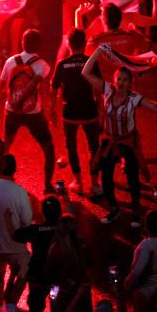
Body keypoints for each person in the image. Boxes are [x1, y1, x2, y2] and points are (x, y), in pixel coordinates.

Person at [81, 44, 157, 227]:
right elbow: (86, 73)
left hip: (127, 141)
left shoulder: (134, 98)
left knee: (132, 178)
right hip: (110, 139)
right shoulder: (108, 90)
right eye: (118, 79)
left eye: (124, 80)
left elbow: (156, 109)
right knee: (105, 177)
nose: (121, 82)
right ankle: (113, 208)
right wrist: (98, 51)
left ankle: (136, 211)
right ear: (114, 80)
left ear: (130, 83)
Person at [0, 28, 56, 194]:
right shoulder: (43, 65)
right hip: (33, 114)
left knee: (6, 145)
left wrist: (11, 103)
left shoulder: (10, 61)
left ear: (22, 43)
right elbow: (33, 86)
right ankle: (47, 185)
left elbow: (0, 86)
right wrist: (21, 101)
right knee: (49, 149)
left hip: (11, 111)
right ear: (39, 45)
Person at [51, 28, 102, 196]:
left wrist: (53, 109)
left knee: (71, 146)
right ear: (85, 43)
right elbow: (98, 88)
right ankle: (95, 184)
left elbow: (54, 87)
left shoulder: (62, 64)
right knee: (94, 146)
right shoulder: (91, 62)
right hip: (89, 110)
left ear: (68, 44)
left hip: (70, 111)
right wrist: (100, 110)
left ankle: (78, 182)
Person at [0, 153, 33, 305]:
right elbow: (26, 221)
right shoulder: (19, 191)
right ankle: (12, 305)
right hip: (15, 247)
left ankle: (0, 306)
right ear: (15, 170)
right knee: (23, 274)